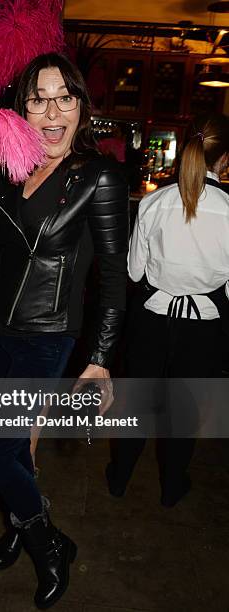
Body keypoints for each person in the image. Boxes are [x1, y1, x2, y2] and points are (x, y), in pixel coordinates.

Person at [0, 53, 129, 609]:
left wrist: (98, 359)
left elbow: (114, 277)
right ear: (20, 108)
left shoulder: (99, 176)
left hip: (47, 337)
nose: (52, 112)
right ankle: (21, 519)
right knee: (16, 450)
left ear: (80, 105)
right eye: (37, 98)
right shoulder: (9, 169)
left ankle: (47, 542)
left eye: (64, 97)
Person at [106, 113, 229, 508]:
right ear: (224, 160)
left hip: (152, 319)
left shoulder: (154, 202)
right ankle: (172, 485)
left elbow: (134, 270)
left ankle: (119, 477)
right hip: (204, 326)